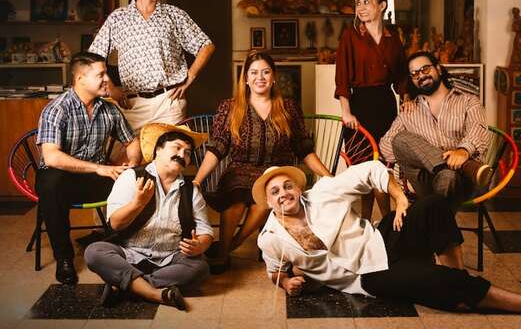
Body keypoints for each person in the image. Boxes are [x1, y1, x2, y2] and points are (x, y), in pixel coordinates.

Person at [253, 161, 521, 322]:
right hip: (366, 277)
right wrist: (287, 282)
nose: (284, 194)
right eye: (275, 192)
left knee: (432, 204)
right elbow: (275, 271)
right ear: (268, 202)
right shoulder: (270, 238)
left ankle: (456, 277)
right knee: (431, 281)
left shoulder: (323, 192)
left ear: (298, 187)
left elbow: (370, 170)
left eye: (287, 186)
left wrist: (400, 198)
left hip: (381, 238)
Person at [193, 51, 331, 273]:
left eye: (266, 72)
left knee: (266, 196)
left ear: (273, 76)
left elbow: (303, 148)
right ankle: (224, 252)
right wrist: (197, 180)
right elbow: (217, 148)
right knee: (236, 197)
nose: (260, 77)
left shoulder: (288, 107)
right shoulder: (230, 107)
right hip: (240, 169)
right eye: (254, 73)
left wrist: (328, 176)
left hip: (276, 170)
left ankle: (229, 247)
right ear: (246, 78)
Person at [35, 52, 141, 285]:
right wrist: (98, 168)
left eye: (106, 74)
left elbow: (132, 141)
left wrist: (132, 164)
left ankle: (121, 246)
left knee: (139, 178)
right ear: (80, 79)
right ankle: (64, 258)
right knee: (51, 184)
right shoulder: (57, 109)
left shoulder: (109, 110)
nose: (107, 80)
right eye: (101, 75)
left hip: (93, 179)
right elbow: (51, 157)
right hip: (60, 179)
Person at [85, 123, 213, 310]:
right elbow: (115, 224)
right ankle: (155, 293)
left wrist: (200, 245)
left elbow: (205, 231)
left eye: (187, 152)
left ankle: (125, 285)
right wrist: (137, 203)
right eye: (177, 147)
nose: (182, 155)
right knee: (94, 252)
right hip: (129, 254)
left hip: (170, 257)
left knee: (200, 268)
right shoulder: (131, 177)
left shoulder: (191, 190)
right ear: (158, 151)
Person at [88, 0, 216, 134]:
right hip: (132, 105)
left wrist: (190, 77)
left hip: (169, 103)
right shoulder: (118, 18)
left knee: (172, 150)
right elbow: (93, 56)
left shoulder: (174, 14)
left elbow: (206, 45)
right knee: (129, 151)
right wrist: (111, 89)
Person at [379, 51, 492, 211]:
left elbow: (478, 129)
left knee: (447, 176)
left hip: (464, 182)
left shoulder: (468, 101)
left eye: (425, 69)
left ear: (438, 69)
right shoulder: (409, 112)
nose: (421, 75)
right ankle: (464, 166)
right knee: (400, 139)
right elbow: (386, 150)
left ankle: (436, 225)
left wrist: (464, 151)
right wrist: (417, 150)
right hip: (428, 181)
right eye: (415, 74)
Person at [335, 0, 409, 219]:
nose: (361, 7)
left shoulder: (392, 38)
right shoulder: (350, 36)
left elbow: (402, 76)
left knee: (383, 167)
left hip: (386, 106)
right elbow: (342, 76)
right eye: (358, 3)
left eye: (366, 2)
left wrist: (406, 100)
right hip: (359, 106)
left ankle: (384, 222)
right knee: (363, 168)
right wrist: (346, 112)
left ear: (382, 6)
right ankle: (374, 220)